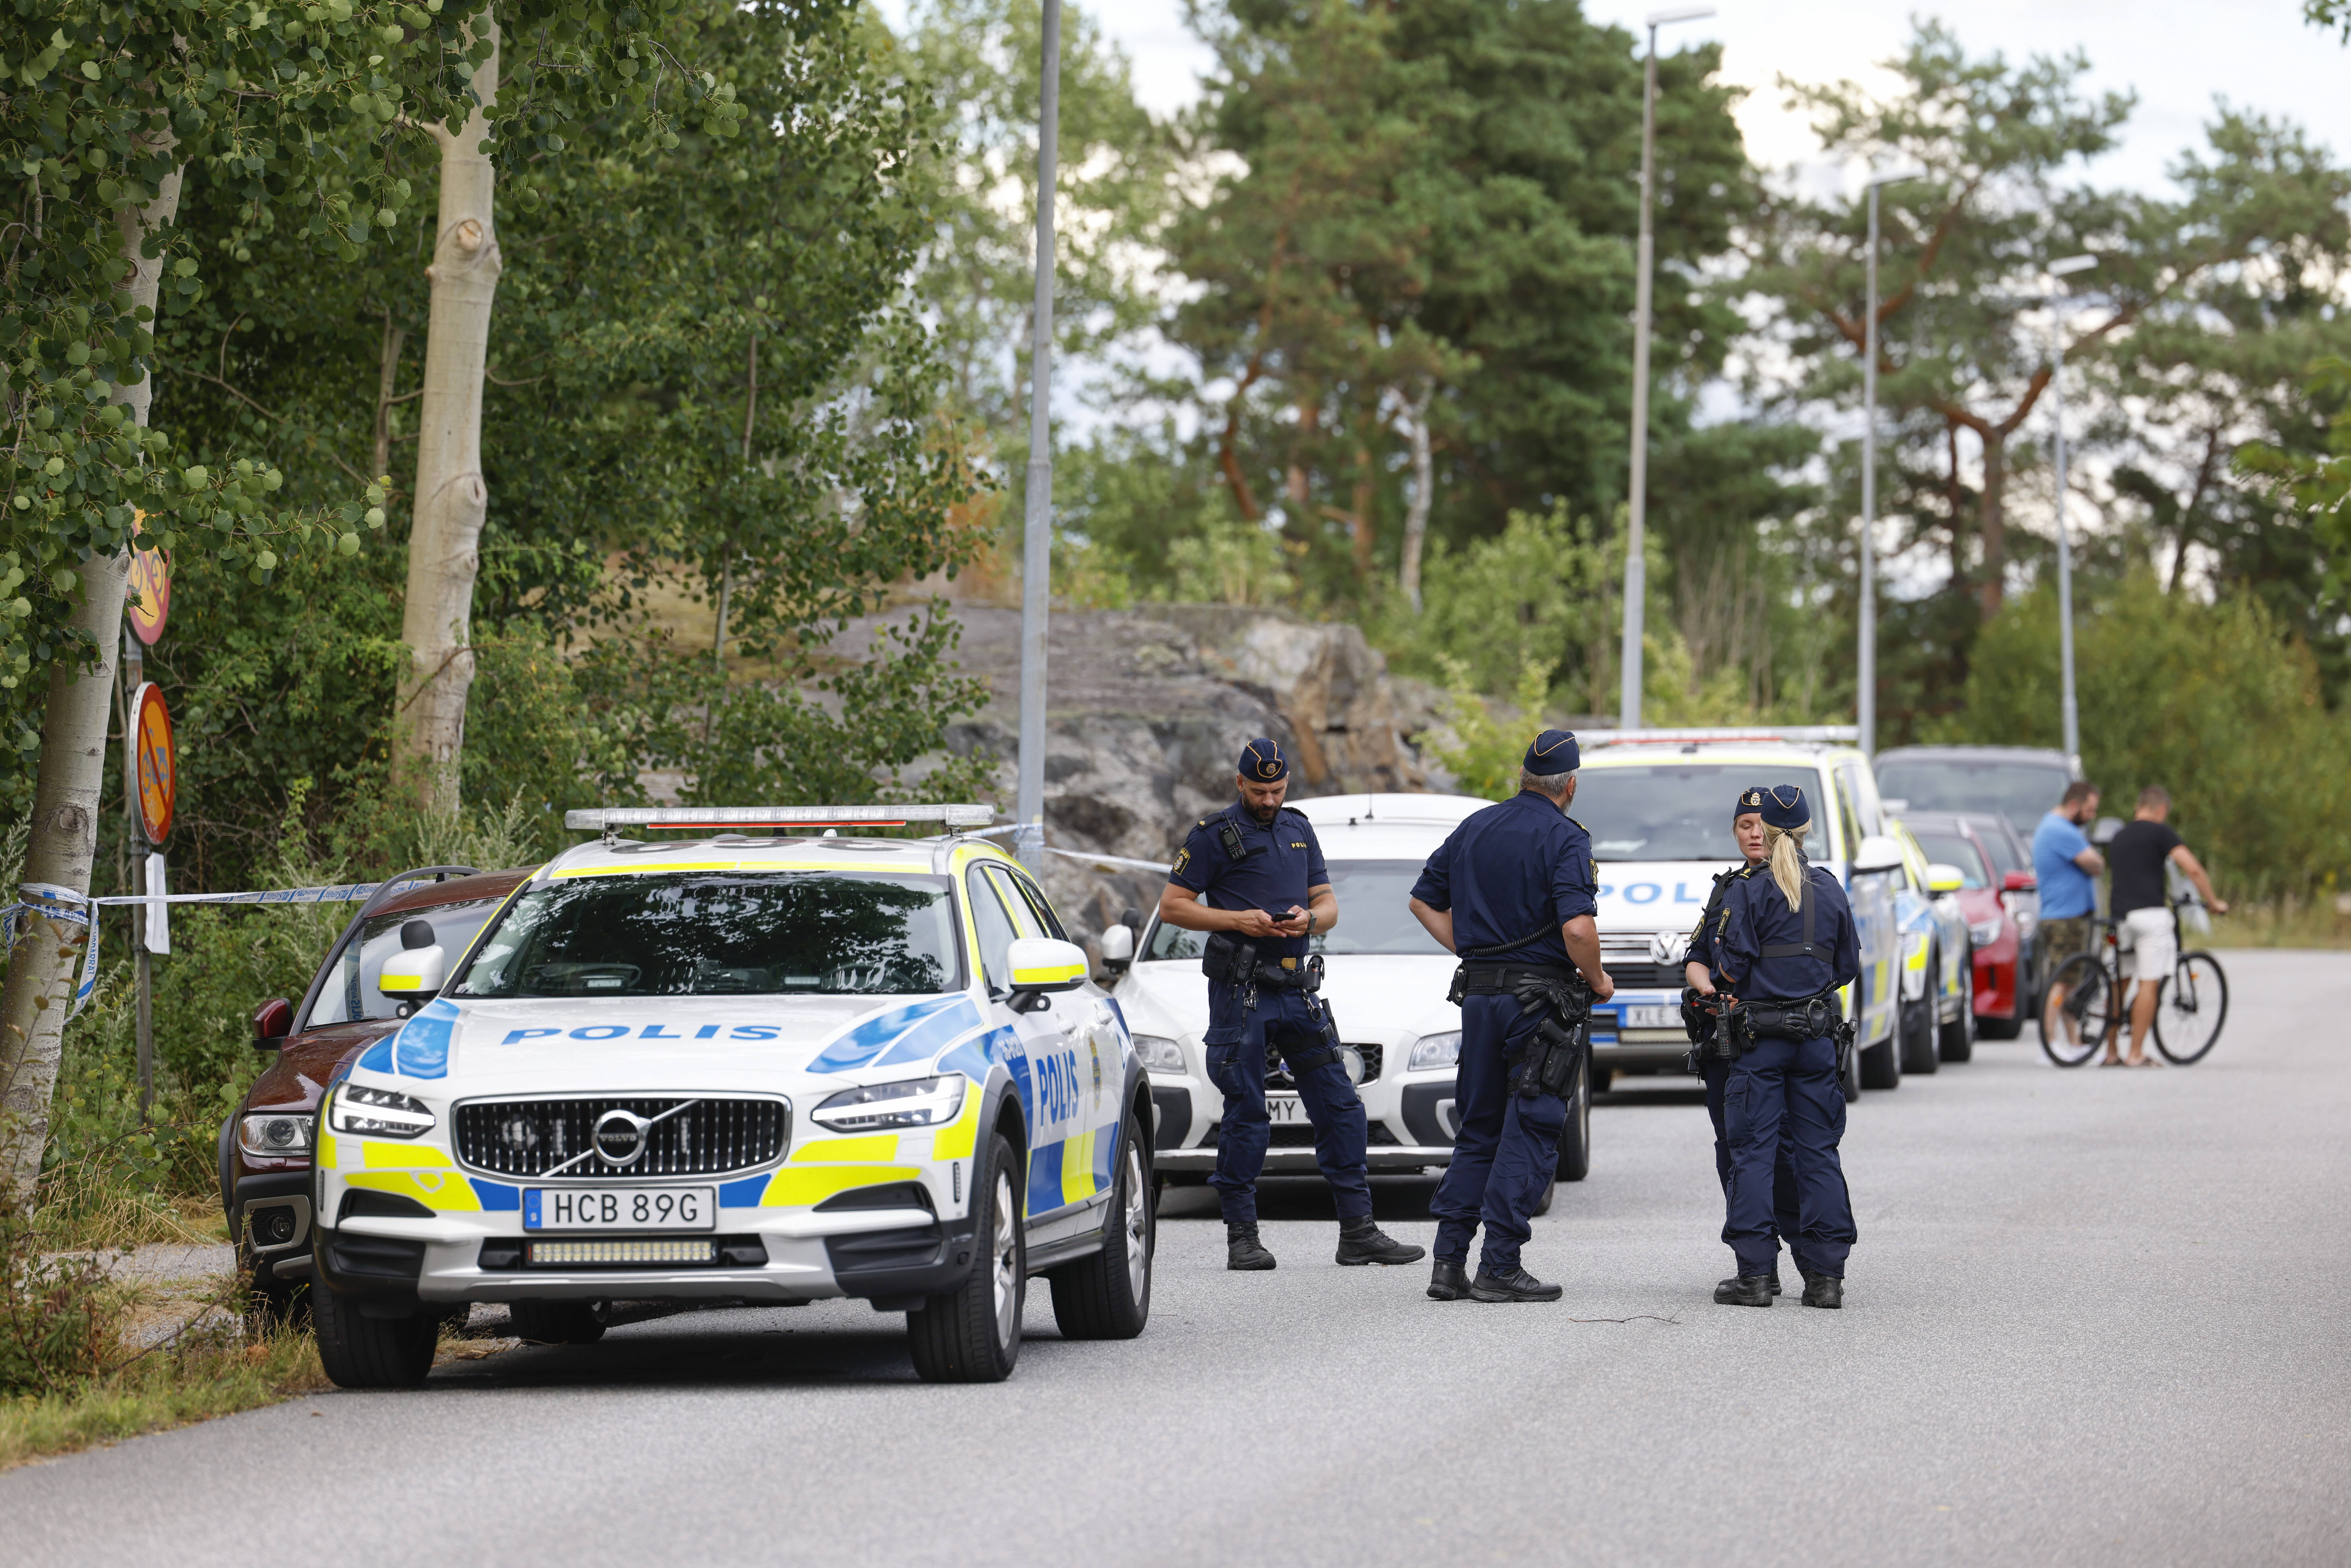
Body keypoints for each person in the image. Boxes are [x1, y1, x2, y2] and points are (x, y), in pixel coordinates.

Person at [1159, 738, 1425, 1271]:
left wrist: (1309, 919)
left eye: (1277, 790)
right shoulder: (1213, 836)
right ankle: (1242, 1237)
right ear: (1240, 784)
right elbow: (1173, 906)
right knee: (1247, 1115)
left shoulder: (1298, 828)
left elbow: (1327, 904)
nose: (1269, 799)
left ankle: (1358, 1231)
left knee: (1341, 1106)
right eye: (1259, 790)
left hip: (1297, 989)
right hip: (1242, 994)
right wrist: (1239, 920)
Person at [1406, 729, 1613, 1304]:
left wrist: (1475, 953)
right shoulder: (1567, 838)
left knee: (1477, 1129)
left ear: (1521, 778)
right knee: (1531, 1126)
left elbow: (1422, 899)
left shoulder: (1475, 826)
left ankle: (1448, 1263)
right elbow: (1576, 927)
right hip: (1538, 1005)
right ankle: (1499, 1264)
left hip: (1479, 1000)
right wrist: (1596, 980)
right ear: (1569, 785)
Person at [1700, 785, 1860, 1309]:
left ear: (1763, 829)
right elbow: (1846, 968)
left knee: (1753, 1154)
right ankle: (1825, 1277)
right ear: (1807, 828)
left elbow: (1730, 968)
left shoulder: (1749, 891)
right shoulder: (1831, 889)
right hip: (1814, 1040)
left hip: (1758, 1041)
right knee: (1818, 1154)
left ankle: (1756, 1277)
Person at [1683, 786, 1812, 1300]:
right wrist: (1704, 982)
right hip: (1725, 1039)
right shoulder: (1726, 889)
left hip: (1775, 1039)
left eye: (1761, 824)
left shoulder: (1802, 885)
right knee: (1734, 1149)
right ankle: (1758, 1259)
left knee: (1782, 1151)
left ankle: (1796, 1252)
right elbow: (1696, 954)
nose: (1754, 833)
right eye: (1744, 825)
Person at [2103, 785, 2227, 1068]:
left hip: (2120, 917)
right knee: (2149, 982)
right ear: (2161, 810)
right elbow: (2191, 868)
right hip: (2150, 917)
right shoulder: (2160, 832)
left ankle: (2110, 1052)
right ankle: (2135, 1053)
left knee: (2118, 983)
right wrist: (2213, 902)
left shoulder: (2119, 836)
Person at [2032, 781, 2104, 1043]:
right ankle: (2049, 1043)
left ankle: (2073, 1042)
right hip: (2066, 918)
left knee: (2069, 983)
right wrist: (2097, 862)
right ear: (2074, 805)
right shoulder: (2061, 830)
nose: (2091, 816)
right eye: (2090, 810)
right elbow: (2095, 863)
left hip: (2060, 915)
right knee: (2062, 983)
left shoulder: (2050, 826)